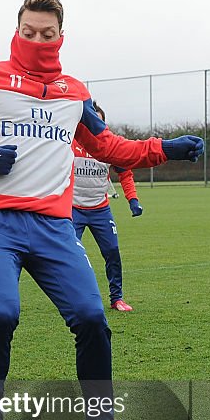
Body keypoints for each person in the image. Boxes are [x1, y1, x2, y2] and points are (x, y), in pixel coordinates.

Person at [0, 0, 203, 420]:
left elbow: (107, 146)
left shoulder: (73, 92)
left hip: (55, 228)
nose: (37, 40)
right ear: (16, 30)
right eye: (29, 31)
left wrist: (165, 149)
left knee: (92, 319)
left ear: (61, 36)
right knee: (0, 314)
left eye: (47, 33)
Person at [72, 101, 142, 312]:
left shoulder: (109, 148)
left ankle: (117, 298)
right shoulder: (68, 143)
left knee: (112, 251)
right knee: (72, 255)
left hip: (100, 210)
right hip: (72, 209)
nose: (95, 127)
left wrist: (133, 200)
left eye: (99, 123)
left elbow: (125, 174)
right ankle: (75, 298)